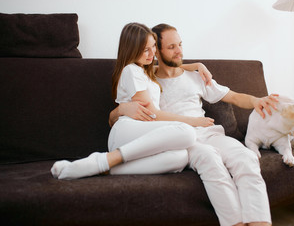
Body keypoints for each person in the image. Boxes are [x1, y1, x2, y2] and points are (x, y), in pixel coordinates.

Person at [109, 24, 277, 226]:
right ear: (158, 52)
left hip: (210, 133)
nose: (179, 51)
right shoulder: (146, 79)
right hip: (183, 140)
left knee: (246, 158)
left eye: (180, 44)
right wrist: (120, 111)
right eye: (171, 47)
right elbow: (125, 111)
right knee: (210, 159)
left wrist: (256, 101)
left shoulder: (196, 76)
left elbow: (232, 96)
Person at [50, 22, 214, 180]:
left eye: (153, 48)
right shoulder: (131, 70)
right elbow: (152, 114)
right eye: (145, 50)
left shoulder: (144, 71)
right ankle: (106, 159)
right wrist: (195, 121)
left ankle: (101, 167)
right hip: (128, 130)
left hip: (142, 134)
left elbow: (169, 67)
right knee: (187, 132)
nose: (152, 54)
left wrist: (197, 65)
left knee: (179, 158)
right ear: (132, 50)